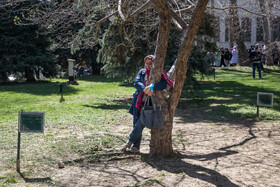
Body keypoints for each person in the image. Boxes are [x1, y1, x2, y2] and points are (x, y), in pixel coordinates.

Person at [121, 55, 174, 153]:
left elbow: (163, 84)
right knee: (136, 123)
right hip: (138, 101)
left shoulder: (159, 73)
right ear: (144, 63)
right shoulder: (142, 72)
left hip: (149, 103)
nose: (149, 65)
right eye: (147, 63)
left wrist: (152, 87)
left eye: (151, 63)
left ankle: (129, 142)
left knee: (141, 123)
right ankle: (136, 147)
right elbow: (136, 82)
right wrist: (145, 89)